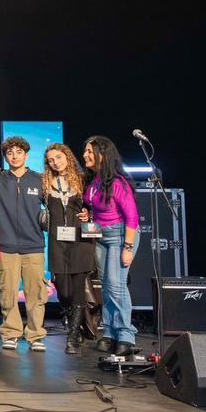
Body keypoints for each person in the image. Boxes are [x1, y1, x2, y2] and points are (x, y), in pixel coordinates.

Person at [81, 136, 140, 356]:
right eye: (85, 151)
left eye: (89, 151)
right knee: (106, 286)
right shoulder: (94, 181)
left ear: (102, 154)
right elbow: (92, 206)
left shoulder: (117, 182)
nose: (85, 155)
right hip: (100, 236)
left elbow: (132, 217)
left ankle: (126, 334)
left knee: (117, 285)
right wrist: (88, 213)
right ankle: (109, 332)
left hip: (120, 235)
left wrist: (128, 247)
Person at [0, 136, 48, 352]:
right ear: (5, 156)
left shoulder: (39, 180)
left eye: (18, 152)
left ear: (26, 155)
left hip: (33, 246)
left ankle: (35, 335)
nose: (14, 156)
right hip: (5, 246)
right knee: (8, 293)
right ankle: (11, 332)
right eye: (10, 153)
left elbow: (58, 205)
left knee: (36, 294)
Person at [42, 143, 97, 355]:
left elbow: (95, 206)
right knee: (63, 290)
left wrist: (88, 213)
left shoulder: (84, 180)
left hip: (81, 241)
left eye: (58, 157)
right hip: (58, 242)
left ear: (67, 155)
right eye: (50, 160)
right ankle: (78, 323)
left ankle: (73, 336)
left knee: (78, 290)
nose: (55, 162)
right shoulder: (45, 183)